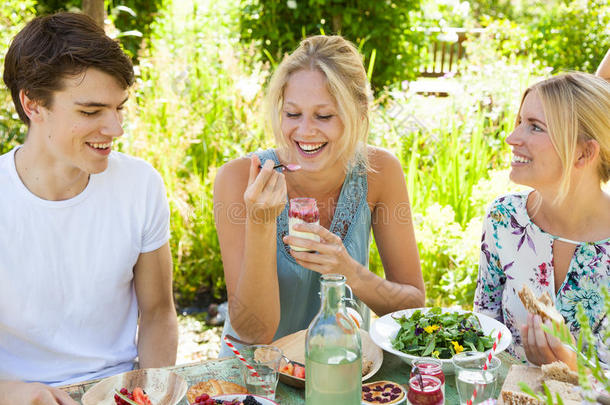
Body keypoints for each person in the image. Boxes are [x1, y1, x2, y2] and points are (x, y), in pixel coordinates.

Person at [0, 12, 178, 403]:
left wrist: (152, 390)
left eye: (119, 108)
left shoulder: (140, 184)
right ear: (32, 103)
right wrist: (11, 393)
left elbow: (158, 313)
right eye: (91, 111)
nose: (115, 129)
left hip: (118, 393)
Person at [214, 35, 425, 356]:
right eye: (292, 114)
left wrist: (350, 272)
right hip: (259, 380)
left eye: (324, 116)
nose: (305, 131)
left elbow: (413, 307)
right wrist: (260, 223)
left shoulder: (380, 171)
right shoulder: (239, 179)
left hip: (346, 369)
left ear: (359, 113)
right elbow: (253, 332)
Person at [474, 72, 610, 370]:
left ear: (584, 153)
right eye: (519, 122)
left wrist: (568, 367)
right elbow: (483, 332)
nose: (512, 138)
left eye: (535, 127)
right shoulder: (504, 219)